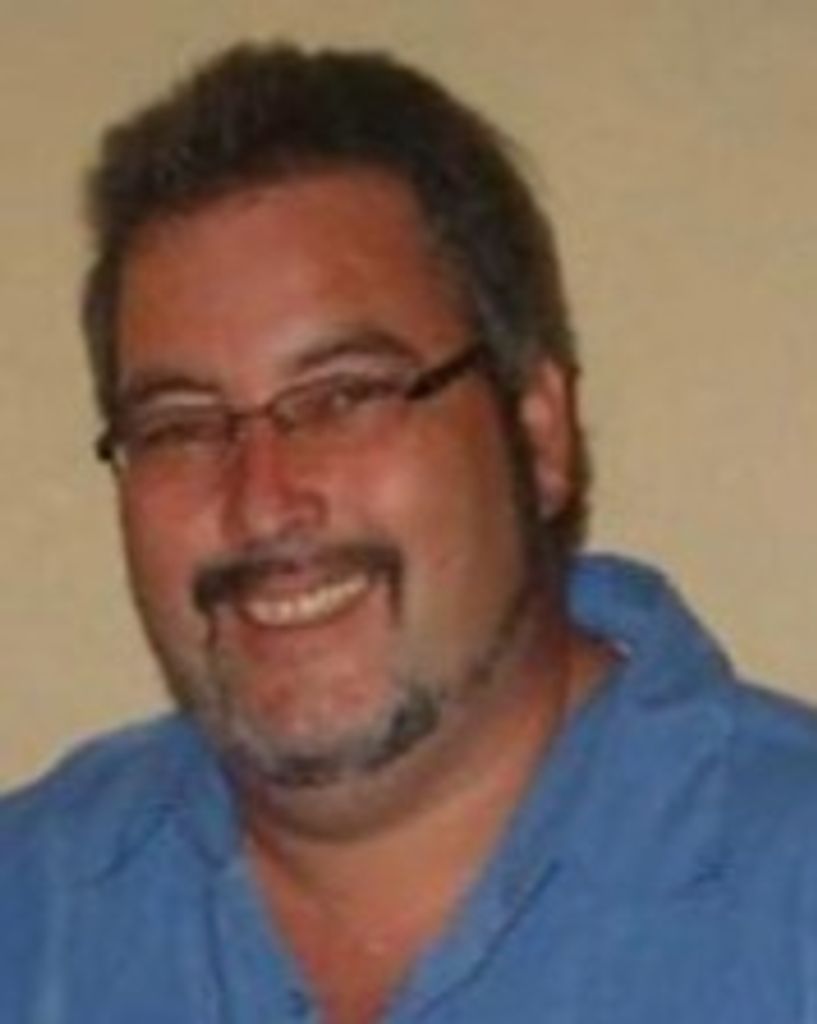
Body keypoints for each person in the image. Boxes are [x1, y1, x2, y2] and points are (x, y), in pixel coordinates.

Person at [2, 42, 817, 1024]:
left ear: (537, 434)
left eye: (343, 397)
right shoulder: (32, 916)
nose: (261, 501)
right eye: (180, 426)